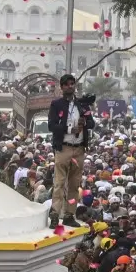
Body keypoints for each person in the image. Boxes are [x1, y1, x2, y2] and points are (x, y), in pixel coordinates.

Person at [47, 74, 90, 226]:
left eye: (72, 84)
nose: (70, 86)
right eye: (66, 84)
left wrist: (85, 122)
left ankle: (69, 215)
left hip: (79, 149)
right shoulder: (56, 104)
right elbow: (51, 125)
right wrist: (69, 129)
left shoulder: (81, 104)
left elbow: (92, 124)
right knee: (59, 182)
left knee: (74, 184)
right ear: (62, 87)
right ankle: (55, 214)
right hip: (63, 148)